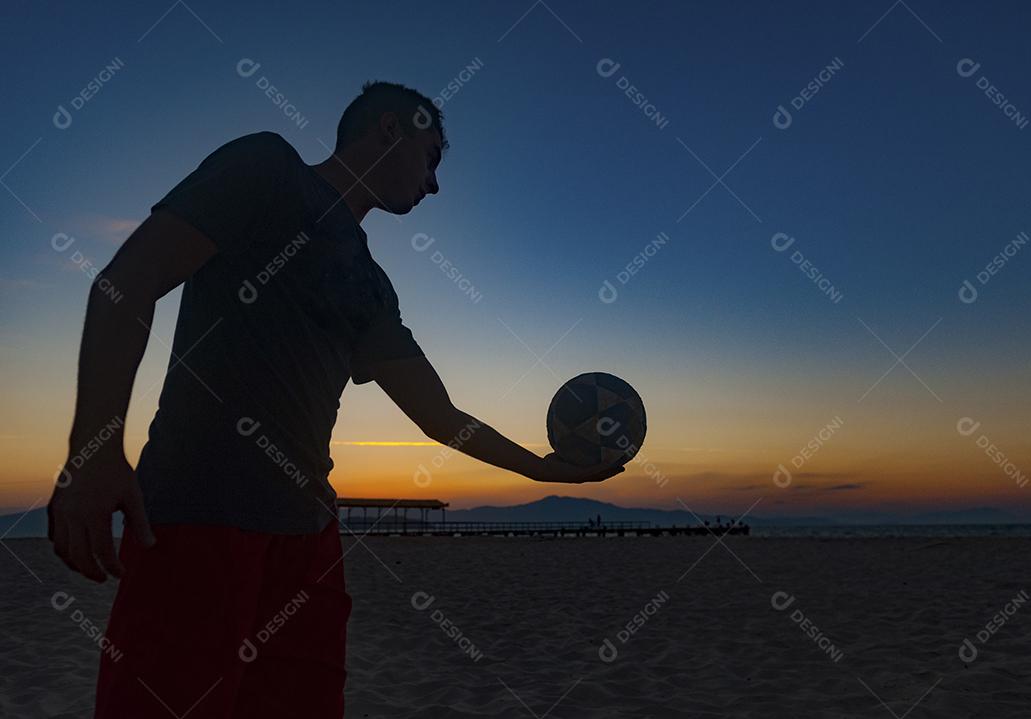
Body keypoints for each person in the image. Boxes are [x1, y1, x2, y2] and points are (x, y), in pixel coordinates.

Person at [47, 80, 624, 719]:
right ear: (390, 129)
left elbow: (441, 418)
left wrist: (543, 468)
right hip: (197, 519)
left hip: (310, 544)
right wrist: (94, 451)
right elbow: (127, 283)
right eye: (432, 157)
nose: (434, 185)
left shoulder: (371, 288)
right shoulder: (267, 169)